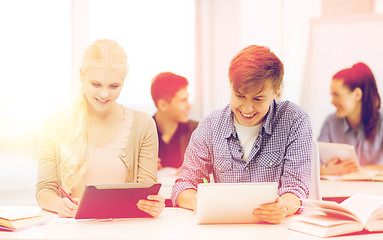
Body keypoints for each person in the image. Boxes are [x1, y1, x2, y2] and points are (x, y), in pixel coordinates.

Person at [171, 45, 313, 224]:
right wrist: (197, 201)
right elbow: (183, 185)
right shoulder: (210, 125)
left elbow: (296, 188)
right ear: (230, 86)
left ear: (276, 91)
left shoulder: (294, 120)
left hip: (275, 230)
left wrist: (283, 206)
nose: (247, 109)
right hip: (224, 228)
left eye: (258, 99)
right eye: (239, 96)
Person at [36, 39, 165, 218]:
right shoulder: (54, 125)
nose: (104, 94)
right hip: (71, 231)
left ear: (124, 81)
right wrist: (60, 205)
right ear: (82, 76)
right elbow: (44, 190)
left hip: (127, 231)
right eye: (96, 84)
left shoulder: (143, 125)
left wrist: (152, 205)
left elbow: (146, 192)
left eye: (114, 86)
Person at [318, 62, 383, 175]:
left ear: (357, 94)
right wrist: (325, 170)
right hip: (339, 190)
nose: (332, 102)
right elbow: (311, 163)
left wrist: (359, 170)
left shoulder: (381, 122)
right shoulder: (331, 122)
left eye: (336, 95)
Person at [151, 72, 198, 170]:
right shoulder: (142, 132)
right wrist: (145, 168)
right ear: (163, 105)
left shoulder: (197, 131)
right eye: (183, 100)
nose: (189, 106)